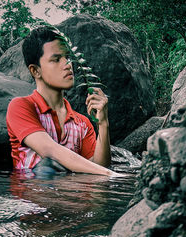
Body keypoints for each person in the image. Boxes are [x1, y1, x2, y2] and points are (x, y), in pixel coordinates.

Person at [6, 26, 117, 176]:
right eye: (56, 59)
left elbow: (97, 168)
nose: (67, 65)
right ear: (35, 71)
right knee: (46, 167)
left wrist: (103, 124)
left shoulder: (82, 123)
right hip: (32, 196)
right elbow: (49, 150)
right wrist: (112, 175)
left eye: (68, 57)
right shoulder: (22, 107)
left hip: (70, 194)